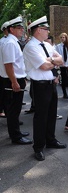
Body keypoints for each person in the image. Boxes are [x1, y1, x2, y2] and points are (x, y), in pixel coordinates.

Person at [23, 16, 67, 161]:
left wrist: (51, 61)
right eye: (46, 29)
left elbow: (61, 60)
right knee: (41, 117)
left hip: (51, 84)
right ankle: (38, 147)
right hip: (40, 86)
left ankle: (51, 140)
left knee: (51, 114)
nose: (48, 31)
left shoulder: (47, 45)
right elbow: (44, 66)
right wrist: (52, 62)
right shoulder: (31, 47)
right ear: (38, 30)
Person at [0, 16, 32, 145]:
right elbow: (9, 64)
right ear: (11, 29)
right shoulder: (10, 43)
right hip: (13, 80)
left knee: (14, 109)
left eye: (22, 28)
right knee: (14, 110)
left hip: (14, 78)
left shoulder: (11, 41)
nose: (22, 30)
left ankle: (15, 132)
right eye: (19, 28)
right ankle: (16, 136)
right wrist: (14, 81)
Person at [56, 33, 68, 99]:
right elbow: (57, 55)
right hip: (62, 65)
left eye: (64, 37)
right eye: (61, 37)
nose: (63, 38)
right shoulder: (58, 46)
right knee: (64, 79)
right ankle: (64, 93)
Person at [0, 21, 9, 118]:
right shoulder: (4, 42)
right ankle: (7, 113)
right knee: (5, 95)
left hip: (3, 72)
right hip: (4, 72)